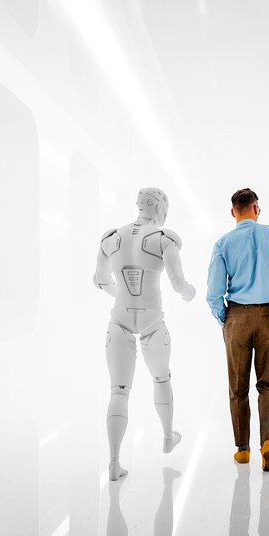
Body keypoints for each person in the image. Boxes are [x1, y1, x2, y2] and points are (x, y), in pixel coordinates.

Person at [94, 187, 196, 481]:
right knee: (161, 377)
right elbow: (179, 285)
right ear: (161, 209)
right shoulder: (164, 240)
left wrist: (120, 296)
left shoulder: (111, 239)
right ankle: (167, 436)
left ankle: (114, 463)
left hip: (120, 319)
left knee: (118, 391)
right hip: (153, 322)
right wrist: (190, 293)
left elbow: (100, 280)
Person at [206, 188, 269, 471]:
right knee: (267, 383)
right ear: (256, 209)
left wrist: (226, 318)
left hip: (236, 317)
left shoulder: (222, 243)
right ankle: (268, 444)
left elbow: (213, 293)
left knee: (238, 387)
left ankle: (243, 450)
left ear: (233, 212)